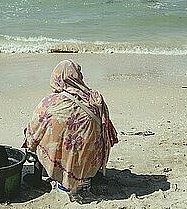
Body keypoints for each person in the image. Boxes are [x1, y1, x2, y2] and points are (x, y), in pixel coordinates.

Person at [24, 60, 118, 201]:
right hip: (91, 163)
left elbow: (33, 130)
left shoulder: (51, 102)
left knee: (32, 133)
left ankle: (38, 180)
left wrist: (30, 141)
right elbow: (108, 130)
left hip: (67, 160)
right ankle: (93, 176)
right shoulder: (95, 99)